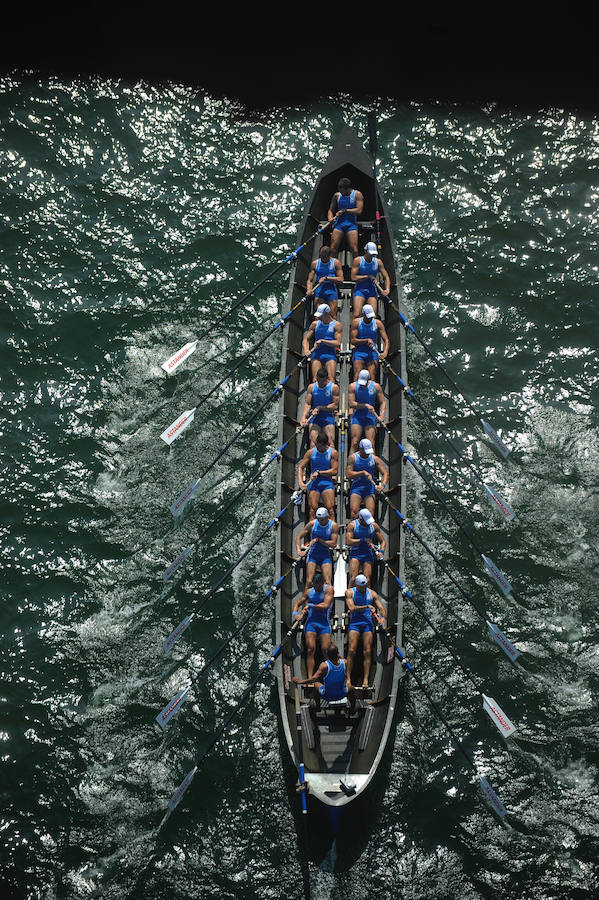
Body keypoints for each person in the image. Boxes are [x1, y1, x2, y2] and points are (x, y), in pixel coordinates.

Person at [345, 575, 387, 689]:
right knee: (351, 650)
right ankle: (348, 678)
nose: (364, 588)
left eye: (365, 586)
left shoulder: (372, 594)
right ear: (357, 585)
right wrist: (367, 606)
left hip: (367, 624)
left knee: (367, 651)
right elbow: (352, 608)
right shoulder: (349, 592)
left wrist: (383, 617)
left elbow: (382, 608)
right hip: (355, 623)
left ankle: (366, 679)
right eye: (361, 586)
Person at [291, 572, 335, 679]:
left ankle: (328, 675)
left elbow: (325, 605)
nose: (317, 587)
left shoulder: (329, 590)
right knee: (310, 649)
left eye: (319, 585)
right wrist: (295, 614)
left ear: (322, 583)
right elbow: (297, 603)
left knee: (326, 650)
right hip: (311, 623)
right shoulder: (309, 592)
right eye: (315, 585)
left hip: (324, 624)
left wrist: (311, 606)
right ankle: (310, 677)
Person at [296, 431, 338, 519]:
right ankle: (313, 532)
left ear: (326, 444)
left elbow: (334, 471)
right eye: (317, 445)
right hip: (314, 484)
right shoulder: (310, 452)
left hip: (327, 483)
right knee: (312, 511)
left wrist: (320, 473)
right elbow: (300, 467)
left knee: (330, 510)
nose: (318, 447)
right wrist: (301, 483)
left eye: (320, 446)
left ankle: (333, 531)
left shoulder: (333, 453)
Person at [295, 507, 339, 589]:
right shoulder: (312, 524)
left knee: (327, 582)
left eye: (322, 519)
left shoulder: (334, 526)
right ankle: (306, 600)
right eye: (318, 519)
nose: (319, 521)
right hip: (313, 554)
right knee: (309, 581)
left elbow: (333, 544)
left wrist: (319, 540)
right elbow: (298, 536)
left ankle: (327, 600)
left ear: (327, 517)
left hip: (325, 555)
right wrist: (299, 550)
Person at [346, 437, 389, 518]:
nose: (367, 454)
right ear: (360, 448)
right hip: (356, 487)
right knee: (354, 513)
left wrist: (382, 485)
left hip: (369, 488)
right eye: (365, 452)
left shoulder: (374, 459)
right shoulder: (353, 458)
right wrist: (362, 473)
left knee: (370, 514)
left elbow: (385, 473)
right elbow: (348, 474)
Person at [345, 508, 386, 587]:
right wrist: (362, 540)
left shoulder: (374, 525)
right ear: (360, 519)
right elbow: (348, 542)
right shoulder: (352, 525)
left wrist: (381, 552)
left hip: (367, 554)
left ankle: (366, 596)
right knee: (353, 578)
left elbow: (383, 541)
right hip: (355, 553)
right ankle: (350, 595)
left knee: (367, 579)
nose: (369, 523)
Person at [299, 367, 339, 448]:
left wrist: (320, 408)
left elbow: (335, 405)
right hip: (315, 417)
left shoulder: (334, 388)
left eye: (323, 381)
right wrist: (303, 418)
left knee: (330, 443)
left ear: (327, 378)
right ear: (316, 377)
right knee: (313, 444)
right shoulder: (311, 387)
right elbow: (307, 404)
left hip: (328, 417)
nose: (320, 383)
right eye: (319, 380)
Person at [302, 303, 343, 382]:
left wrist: (324, 341)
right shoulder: (315, 324)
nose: (318, 317)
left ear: (327, 313)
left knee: (331, 380)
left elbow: (337, 343)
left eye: (320, 315)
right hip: (317, 354)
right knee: (315, 380)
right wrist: (306, 350)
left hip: (330, 354)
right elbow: (306, 339)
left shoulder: (337, 325)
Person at [348, 369, 386, 452]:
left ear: (368, 379)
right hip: (357, 416)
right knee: (355, 442)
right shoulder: (352, 386)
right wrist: (365, 405)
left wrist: (382, 415)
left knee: (371, 443)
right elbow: (351, 403)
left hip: (370, 417)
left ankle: (372, 464)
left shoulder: (376, 386)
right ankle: (350, 463)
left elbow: (382, 402)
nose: (362, 385)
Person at [350, 241, 391, 318]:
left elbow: (386, 277)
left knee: (373, 316)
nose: (372, 256)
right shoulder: (358, 260)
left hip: (371, 289)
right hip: (360, 289)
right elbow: (353, 278)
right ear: (365, 251)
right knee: (356, 315)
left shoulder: (378, 262)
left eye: (373, 254)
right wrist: (367, 277)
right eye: (370, 254)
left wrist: (387, 289)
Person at [350, 304, 389, 381]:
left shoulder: (378, 323)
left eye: (371, 316)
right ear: (363, 314)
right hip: (359, 351)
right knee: (357, 376)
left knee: (372, 378)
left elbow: (386, 340)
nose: (370, 318)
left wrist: (385, 353)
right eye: (368, 317)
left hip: (372, 351)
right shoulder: (356, 322)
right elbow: (353, 341)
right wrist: (365, 341)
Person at [328, 177, 364, 259]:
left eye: (342, 190)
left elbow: (359, 211)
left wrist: (345, 211)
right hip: (339, 224)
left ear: (347, 189)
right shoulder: (336, 196)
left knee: (354, 250)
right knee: (333, 248)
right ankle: (332, 267)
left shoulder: (357, 194)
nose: (340, 192)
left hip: (351, 225)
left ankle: (356, 268)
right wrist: (330, 218)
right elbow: (330, 210)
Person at [305, 246, 344, 319]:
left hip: (331, 289)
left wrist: (327, 278)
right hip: (319, 289)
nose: (322, 258)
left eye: (324, 257)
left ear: (329, 256)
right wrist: (309, 289)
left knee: (332, 316)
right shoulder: (315, 263)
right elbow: (309, 280)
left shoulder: (336, 263)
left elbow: (341, 279)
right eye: (321, 256)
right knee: (318, 316)